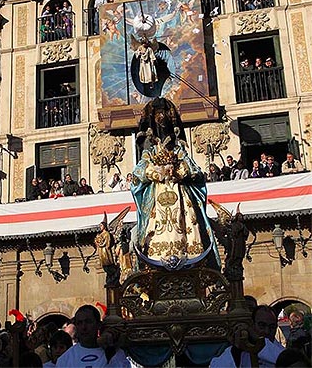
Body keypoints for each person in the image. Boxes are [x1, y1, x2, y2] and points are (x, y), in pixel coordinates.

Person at [131, 97, 221, 270]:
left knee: (185, 225)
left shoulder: (179, 150)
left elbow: (195, 171)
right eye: (157, 117)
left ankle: (190, 257)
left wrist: (179, 172)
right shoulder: (149, 152)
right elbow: (137, 174)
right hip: (157, 198)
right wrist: (154, 173)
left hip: (180, 198)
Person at [56, 305, 130, 367]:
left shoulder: (115, 355)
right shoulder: (65, 360)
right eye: (79, 323)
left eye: (88, 322)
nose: (83, 327)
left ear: (98, 325)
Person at [210, 305, 284, 367]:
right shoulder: (235, 351)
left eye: (272, 327)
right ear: (252, 325)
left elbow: (284, 360)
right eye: (262, 326)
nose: (267, 331)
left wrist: (257, 341)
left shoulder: (280, 352)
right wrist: (237, 353)